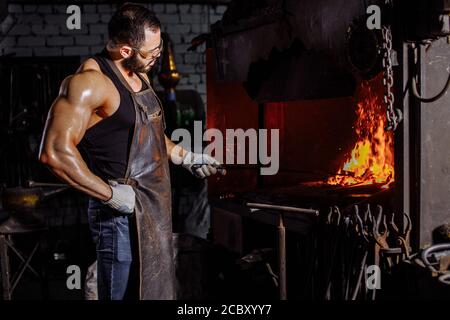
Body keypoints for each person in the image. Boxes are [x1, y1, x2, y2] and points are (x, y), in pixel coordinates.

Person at [39, 3, 224, 300]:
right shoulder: (89, 83)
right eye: (151, 53)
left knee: (154, 292)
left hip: (153, 209)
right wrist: (110, 195)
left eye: (159, 48)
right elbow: (54, 152)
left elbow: (150, 135)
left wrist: (185, 156)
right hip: (118, 219)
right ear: (126, 51)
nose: (157, 57)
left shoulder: (140, 76)